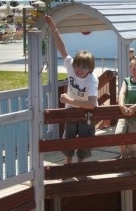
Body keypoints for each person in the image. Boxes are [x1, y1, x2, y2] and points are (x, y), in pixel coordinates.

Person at [44, 15, 99, 166]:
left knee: (85, 141)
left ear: (90, 69)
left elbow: (91, 104)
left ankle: (79, 167)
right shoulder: (71, 68)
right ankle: (68, 165)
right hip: (71, 112)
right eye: (77, 65)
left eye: (84, 67)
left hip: (87, 114)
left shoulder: (92, 79)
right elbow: (62, 48)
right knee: (68, 139)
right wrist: (54, 28)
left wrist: (69, 100)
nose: (79, 69)